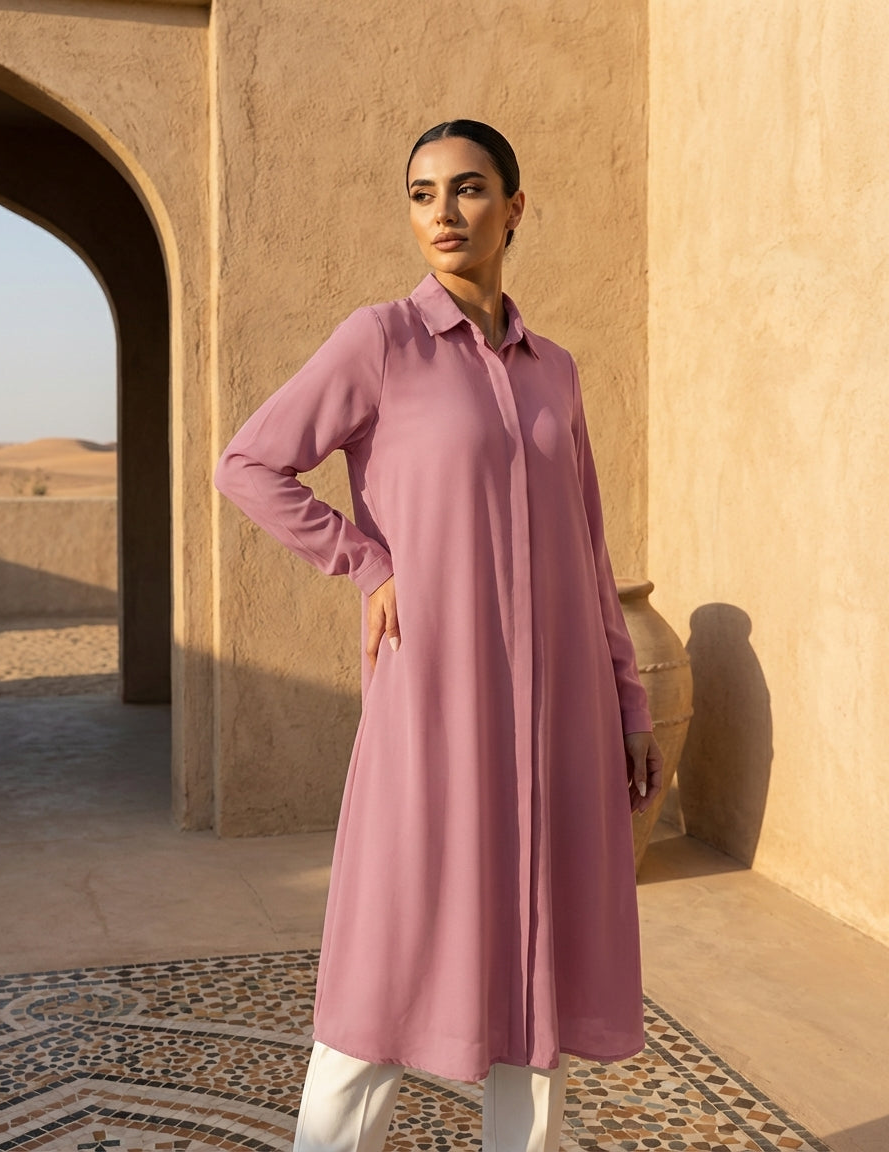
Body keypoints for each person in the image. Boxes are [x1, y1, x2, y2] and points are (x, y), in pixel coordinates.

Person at [215, 119, 664, 1152]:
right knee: (386, 965)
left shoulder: (555, 372)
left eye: (468, 191)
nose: (444, 213)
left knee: (537, 974)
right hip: (433, 710)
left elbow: (588, 549)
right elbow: (249, 464)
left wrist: (627, 700)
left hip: (559, 723)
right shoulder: (380, 341)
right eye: (422, 194)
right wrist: (365, 560)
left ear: (514, 206)